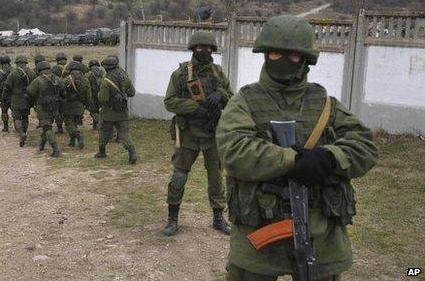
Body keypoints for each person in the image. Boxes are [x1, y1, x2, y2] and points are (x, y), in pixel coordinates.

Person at [216, 15, 378, 280]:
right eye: (276, 53)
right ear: (266, 55)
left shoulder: (326, 103)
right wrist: (293, 160)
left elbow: (365, 146)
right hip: (258, 229)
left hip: (320, 231)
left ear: (305, 60)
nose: (283, 61)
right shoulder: (244, 101)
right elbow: (234, 151)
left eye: (293, 56)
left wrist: (329, 158)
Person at [162, 31, 233, 236]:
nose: (205, 51)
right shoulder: (182, 74)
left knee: (216, 178)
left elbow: (232, 95)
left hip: (212, 134)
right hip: (188, 134)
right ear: (193, 49)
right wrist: (194, 107)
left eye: (209, 48)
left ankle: (218, 218)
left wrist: (221, 94)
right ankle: (172, 218)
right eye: (201, 47)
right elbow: (170, 101)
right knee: (179, 177)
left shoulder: (218, 73)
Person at [94, 56, 137, 164]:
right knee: (125, 132)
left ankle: (102, 151)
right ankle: (132, 152)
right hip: (122, 111)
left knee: (104, 131)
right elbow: (132, 93)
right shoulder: (125, 77)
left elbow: (103, 98)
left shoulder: (106, 81)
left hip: (108, 112)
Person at [26, 61, 63, 157]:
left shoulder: (37, 80)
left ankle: (55, 149)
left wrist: (31, 104)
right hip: (55, 106)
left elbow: (29, 93)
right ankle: (42, 144)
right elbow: (63, 92)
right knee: (47, 126)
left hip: (42, 107)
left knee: (47, 128)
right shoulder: (57, 79)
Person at [3, 55, 37, 147]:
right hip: (28, 99)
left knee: (16, 117)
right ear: (25, 63)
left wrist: (4, 97)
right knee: (25, 117)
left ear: (17, 63)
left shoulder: (13, 73)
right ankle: (24, 132)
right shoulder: (32, 73)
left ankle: (21, 133)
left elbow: (7, 87)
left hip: (16, 99)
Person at [62, 61, 92, 149]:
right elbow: (88, 95)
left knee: (69, 124)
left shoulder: (67, 79)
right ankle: (72, 141)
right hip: (80, 106)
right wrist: (88, 105)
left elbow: (61, 92)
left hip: (69, 105)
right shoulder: (86, 80)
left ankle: (78, 136)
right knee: (74, 123)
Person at [0, 55, 13, 132]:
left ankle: (6, 127)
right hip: (12, 95)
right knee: (14, 111)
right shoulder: (13, 71)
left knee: (4, 111)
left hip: (3, 95)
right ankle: (17, 126)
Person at [85, 59, 104, 130]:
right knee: (98, 111)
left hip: (91, 96)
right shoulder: (102, 73)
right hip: (101, 94)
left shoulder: (87, 75)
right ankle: (95, 126)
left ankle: (100, 125)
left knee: (93, 112)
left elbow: (85, 86)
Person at [52, 52, 68, 133]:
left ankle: (59, 128)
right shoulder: (69, 67)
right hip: (68, 93)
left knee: (58, 111)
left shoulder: (54, 68)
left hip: (58, 92)